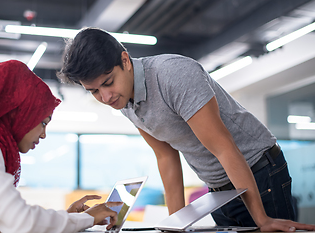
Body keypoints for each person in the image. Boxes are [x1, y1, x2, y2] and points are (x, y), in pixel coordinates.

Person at [58, 27, 315, 232]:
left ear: (125, 60)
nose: (105, 97)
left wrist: (262, 219)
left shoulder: (173, 75)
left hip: (258, 172)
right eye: (94, 91)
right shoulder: (124, 101)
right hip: (218, 189)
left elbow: (224, 147)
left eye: (107, 83)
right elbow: (166, 158)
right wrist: (175, 225)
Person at [0, 60, 122, 233]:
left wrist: (68, 218)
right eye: (43, 123)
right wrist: (87, 218)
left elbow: (2, 225)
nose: (43, 134)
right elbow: (21, 223)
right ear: (20, 113)